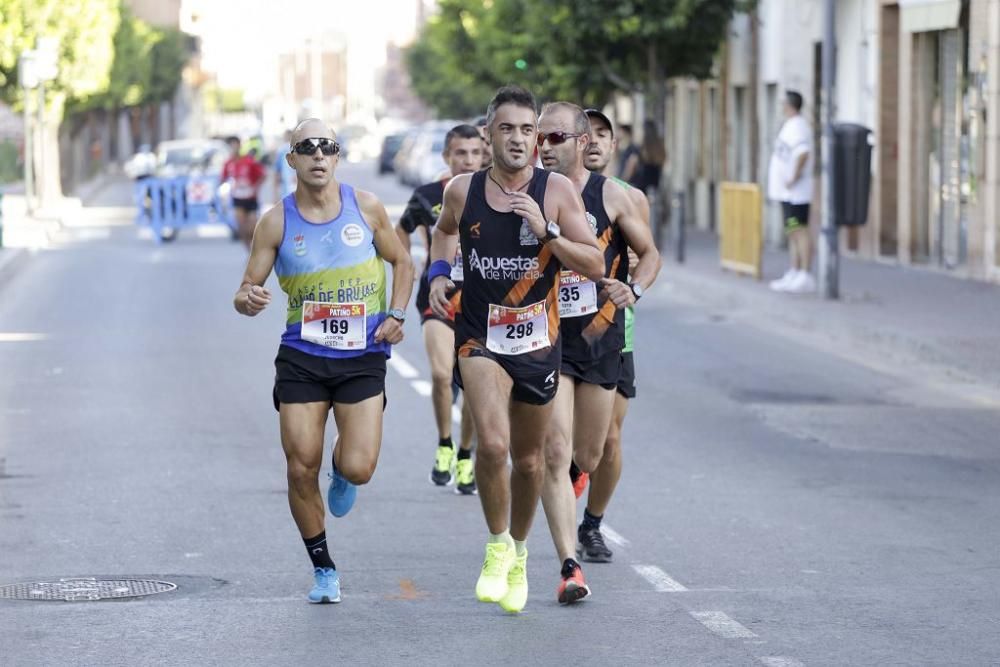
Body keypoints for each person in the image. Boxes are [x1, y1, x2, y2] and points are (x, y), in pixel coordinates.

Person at [428, 85, 604, 613]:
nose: (519, 139)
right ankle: (497, 544)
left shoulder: (557, 193)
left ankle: (522, 552)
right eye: (507, 128)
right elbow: (442, 233)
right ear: (489, 134)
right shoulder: (464, 190)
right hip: (480, 337)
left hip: (537, 344)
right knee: (495, 447)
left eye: (528, 129)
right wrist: (440, 273)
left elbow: (593, 264)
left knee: (529, 462)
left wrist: (546, 231)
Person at [232, 118, 414, 604]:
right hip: (303, 356)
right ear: (291, 159)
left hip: (362, 354)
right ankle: (324, 569)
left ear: (337, 157)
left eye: (327, 147)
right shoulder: (275, 221)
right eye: (306, 147)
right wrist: (248, 299)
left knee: (359, 468)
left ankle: (342, 467)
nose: (317, 155)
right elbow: (246, 288)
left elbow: (402, 262)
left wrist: (396, 313)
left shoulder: (367, 207)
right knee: (297, 467)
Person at [537, 102, 661, 596]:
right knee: (555, 448)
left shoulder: (612, 197)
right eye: (539, 138)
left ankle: (568, 498)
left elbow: (649, 254)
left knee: (589, 453)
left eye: (555, 139)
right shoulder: (529, 193)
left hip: (601, 335)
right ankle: (569, 565)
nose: (544, 148)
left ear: (584, 143)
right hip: (546, 339)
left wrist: (635, 289)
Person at [573, 107, 653, 563]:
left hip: (612, 331)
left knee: (610, 439)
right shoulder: (554, 192)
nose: (597, 142)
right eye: (590, 134)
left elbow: (647, 256)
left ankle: (592, 524)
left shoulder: (630, 198)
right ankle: (570, 473)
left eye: (605, 135)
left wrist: (631, 286)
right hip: (559, 329)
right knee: (564, 437)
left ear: (613, 144)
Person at [395, 124, 483, 494]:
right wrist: (408, 262)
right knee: (442, 374)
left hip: (481, 300)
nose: (468, 159)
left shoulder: (492, 193)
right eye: (460, 153)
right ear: (447, 156)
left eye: (475, 153)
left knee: (476, 388)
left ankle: (466, 453)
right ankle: (445, 443)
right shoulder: (429, 194)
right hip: (438, 296)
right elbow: (400, 229)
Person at [767, 90, 815, 293]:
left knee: (799, 230)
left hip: (797, 194)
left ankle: (805, 273)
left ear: (789, 105)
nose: (781, 107)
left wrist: (793, 177)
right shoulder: (790, 125)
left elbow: (803, 153)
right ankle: (795, 271)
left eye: (783, 104)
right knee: (792, 232)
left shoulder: (799, 127)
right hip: (788, 194)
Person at [221, 136, 266, 249]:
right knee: (242, 228)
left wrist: (255, 188)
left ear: (239, 146)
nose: (233, 148)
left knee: (252, 228)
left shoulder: (249, 161)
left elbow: (263, 175)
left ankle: (256, 248)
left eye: (235, 145)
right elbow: (222, 178)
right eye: (231, 146)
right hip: (237, 198)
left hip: (250, 198)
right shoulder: (228, 163)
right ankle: (249, 251)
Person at [273, 129, 297, 202]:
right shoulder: (298, 149)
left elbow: (277, 172)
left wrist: (275, 193)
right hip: (293, 186)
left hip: (287, 188)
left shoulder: (281, 150)